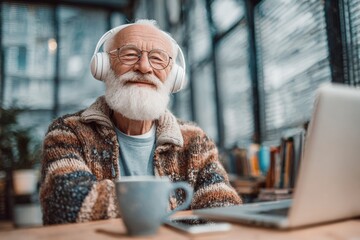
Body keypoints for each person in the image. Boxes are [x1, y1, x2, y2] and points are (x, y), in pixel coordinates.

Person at [40, 19, 242, 225]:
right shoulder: (68, 131)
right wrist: (177, 202)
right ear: (104, 65)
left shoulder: (194, 140)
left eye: (157, 58)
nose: (144, 67)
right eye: (129, 54)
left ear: (174, 76)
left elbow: (224, 210)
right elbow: (66, 203)